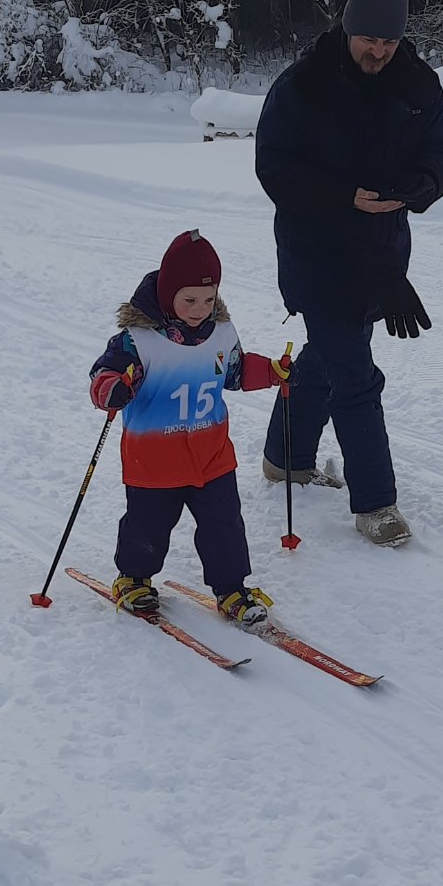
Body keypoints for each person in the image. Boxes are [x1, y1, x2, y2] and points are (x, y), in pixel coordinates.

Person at [255, 0, 443, 545]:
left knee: (329, 355)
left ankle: (285, 458)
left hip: (382, 254)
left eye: (389, 40)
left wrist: (424, 185)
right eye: (369, 38)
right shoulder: (304, 84)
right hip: (316, 250)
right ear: (348, 27)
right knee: (354, 373)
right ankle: (376, 504)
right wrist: (344, 196)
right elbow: (274, 167)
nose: (379, 51)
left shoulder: (417, 83)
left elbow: (442, 149)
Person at [89, 229, 291, 624]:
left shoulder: (221, 333)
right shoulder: (139, 340)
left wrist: (270, 371)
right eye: (190, 300)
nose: (201, 309)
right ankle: (133, 579)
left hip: (211, 456)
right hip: (154, 458)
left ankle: (232, 589)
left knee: (224, 525)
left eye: (209, 299)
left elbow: (234, 372)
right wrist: (112, 388)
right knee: (148, 525)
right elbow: (104, 374)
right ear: (168, 294)